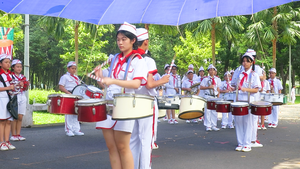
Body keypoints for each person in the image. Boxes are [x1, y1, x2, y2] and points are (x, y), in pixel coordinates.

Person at [94, 22, 148, 169]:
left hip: (125, 106)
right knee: (111, 147)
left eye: (124, 39)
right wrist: (100, 78)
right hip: (108, 104)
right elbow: (107, 85)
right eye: (118, 39)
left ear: (133, 40)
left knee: (123, 147)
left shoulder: (138, 60)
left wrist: (112, 80)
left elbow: (136, 84)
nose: (120, 42)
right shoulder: (114, 59)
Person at [130, 28, 169, 169]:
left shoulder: (129, 58)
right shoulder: (147, 60)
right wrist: (163, 80)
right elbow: (150, 84)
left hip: (131, 102)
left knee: (133, 140)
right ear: (145, 42)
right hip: (146, 103)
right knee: (146, 140)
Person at [232, 53, 261, 152]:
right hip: (239, 99)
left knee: (248, 123)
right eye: (243, 61)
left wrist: (244, 89)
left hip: (249, 100)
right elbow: (235, 86)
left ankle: (247, 144)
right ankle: (240, 143)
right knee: (238, 122)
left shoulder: (254, 75)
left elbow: (256, 89)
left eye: (247, 61)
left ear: (251, 63)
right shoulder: (239, 74)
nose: (244, 63)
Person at [58, 61, 84, 137]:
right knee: (69, 113)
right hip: (69, 95)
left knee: (76, 112)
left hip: (76, 95)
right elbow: (61, 86)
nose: (74, 70)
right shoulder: (65, 77)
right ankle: (68, 130)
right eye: (72, 68)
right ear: (68, 68)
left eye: (75, 68)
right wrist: (68, 93)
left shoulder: (76, 77)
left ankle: (76, 129)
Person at [0, 54, 16, 150]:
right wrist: (8, 88)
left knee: (8, 121)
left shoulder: (10, 75)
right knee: (2, 121)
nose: (8, 64)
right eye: (6, 62)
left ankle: (7, 141)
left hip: (10, 99)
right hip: (2, 99)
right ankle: (1, 142)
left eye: (9, 62)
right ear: (0, 64)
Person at [200, 64, 221, 131]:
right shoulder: (205, 79)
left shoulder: (217, 79)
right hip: (208, 95)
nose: (212, 71)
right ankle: (208, 125)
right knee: (208, 111)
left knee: (214, 111)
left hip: (214, 96)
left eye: (213, 70)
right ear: (208, 71)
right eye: (210, 70)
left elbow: (218, 88)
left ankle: (213, 125)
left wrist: (218, 96)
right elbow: (201, 87)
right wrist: (208, 87)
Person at [10, 59, 27, 141]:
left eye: (20, 67)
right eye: (17, 67)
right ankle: (13, 134)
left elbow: (26, 88)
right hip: (14, 96)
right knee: (14, 116)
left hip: (22, 95)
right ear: (13, 67)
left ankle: (18, 134)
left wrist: (25, 84)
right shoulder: (10, 76)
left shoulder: (23, 77)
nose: (19, 68)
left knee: (20, 116)